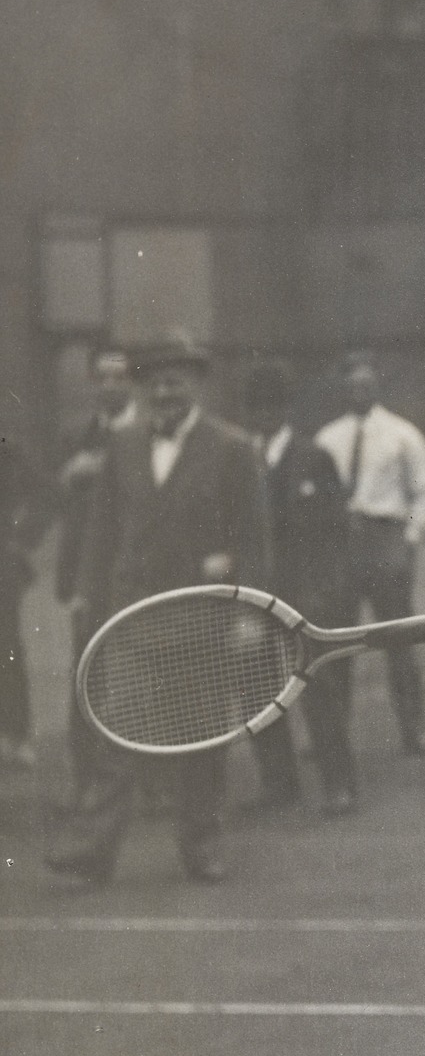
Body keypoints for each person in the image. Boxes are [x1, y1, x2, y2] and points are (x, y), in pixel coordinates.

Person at [47, 337, 271, 884]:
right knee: (115, 733)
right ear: (144, 390)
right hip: (132, 617)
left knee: (200, 740)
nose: (165, 392)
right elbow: (102, 531)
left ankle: (202, 848)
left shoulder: (232, 447)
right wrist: (88, 596)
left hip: (201, 616)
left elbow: (255, 539)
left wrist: (252, 614)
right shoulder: (121, 447)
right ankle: (94, 850)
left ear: (197, 385)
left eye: (176, 381)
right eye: (156, 383)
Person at [244, 360, 358, 815]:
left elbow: (336, 533)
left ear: (286, 410)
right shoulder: (242, 459)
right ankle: (279, 783)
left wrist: (326, 593)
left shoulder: (314, 457)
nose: (264, 416)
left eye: (272, 406)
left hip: (306, 597)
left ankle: (339, 783)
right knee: (258, 691)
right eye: (256, 408)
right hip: (255, 595)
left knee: (320, 690)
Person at [316, 354, 425, 757]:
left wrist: (410, 535)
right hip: (341, 543)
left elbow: (424, 490)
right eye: (352, 385)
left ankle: (414, 728)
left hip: (385, 537)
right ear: (343, 389)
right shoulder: (327, 438)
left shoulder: (402, 435)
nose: (360, 392)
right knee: (336, 642)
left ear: (377, 386)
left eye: (367, 384)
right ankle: (333, 737)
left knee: (398, 640)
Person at [54, 349, 137, 799]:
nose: (110, 386)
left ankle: (152, 781)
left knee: (140, 673)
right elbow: (69, 513)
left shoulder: (146, 433)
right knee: (86, 674)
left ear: (131, 384)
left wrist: (100, 468)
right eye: (102, 378)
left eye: (119, 377)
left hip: (133, 571)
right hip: (89, 576)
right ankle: (86, 781)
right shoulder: (78, 436)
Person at [0, 429, 46, 769]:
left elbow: (44, 496)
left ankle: (17, 735)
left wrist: (22, 540)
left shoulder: (8, 446)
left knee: (6, 646)